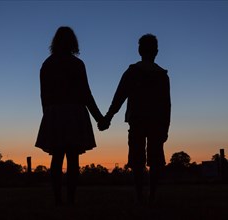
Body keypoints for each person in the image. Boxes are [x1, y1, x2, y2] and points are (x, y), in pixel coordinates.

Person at [98, 34, 171, 204]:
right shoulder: (162, 76)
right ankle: (151, 195)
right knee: (154, 159)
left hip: (137, 119)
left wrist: (107, 117)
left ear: (139, 50)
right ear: (156, 52)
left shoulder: (133, 72)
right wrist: (165, 127)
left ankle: (140, 196)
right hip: (156, 122)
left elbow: (119, 97)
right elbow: (166, 105)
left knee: (138, 159)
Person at [35, 26, 103, 206]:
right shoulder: (77, 64)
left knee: (57, 158)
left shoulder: (47, 64)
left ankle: (58, 200)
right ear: (73, 42)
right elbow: (86, 94)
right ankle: (70, 200)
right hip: (74, 113)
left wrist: (48, 116)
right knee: (73, 159)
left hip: (55, 113)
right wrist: (99, 118)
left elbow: (44, 95)